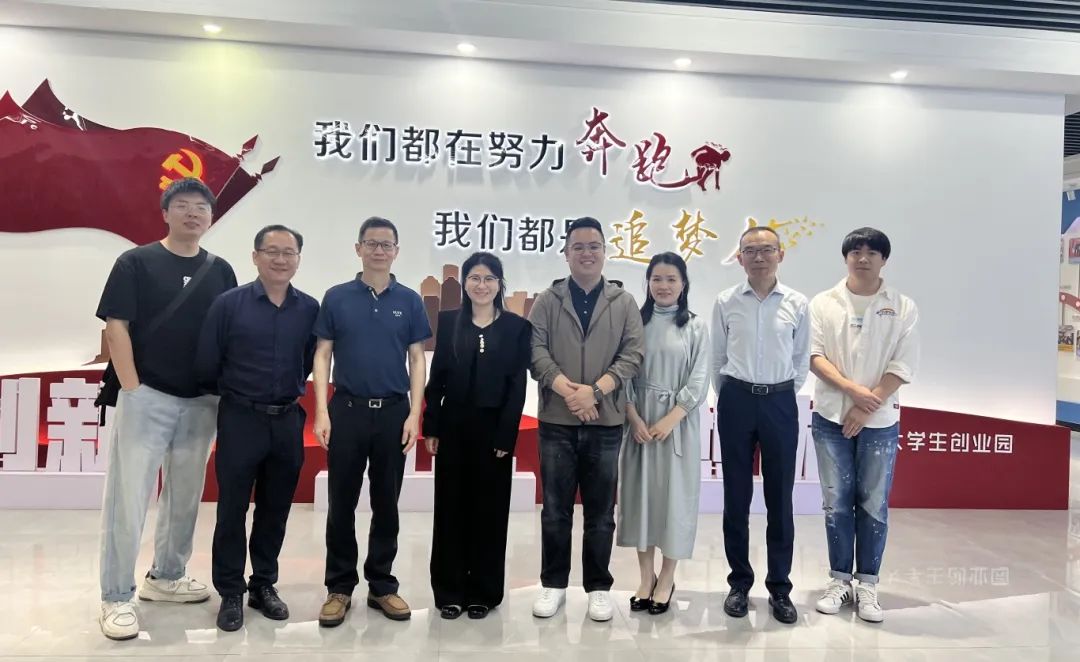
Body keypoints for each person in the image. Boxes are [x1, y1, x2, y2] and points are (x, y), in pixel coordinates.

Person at [95, 177, 237, 640]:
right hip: (148, 395)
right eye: (183, 205)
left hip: (202, 400)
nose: (193, 213)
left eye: (201, 207)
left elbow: (229, 332)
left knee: (185, 495)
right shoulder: (135, 262)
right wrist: (133, 389)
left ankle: (167, 576)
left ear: (211, 217)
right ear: (165, 213)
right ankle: (116, 596)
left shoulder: (221, 270)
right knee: (128, 498)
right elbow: (116, 326)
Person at [195, 225, 319, 631]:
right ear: (255, 256)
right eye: (272, 251)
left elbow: (308, 360)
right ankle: (230, 590)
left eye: (288, 252)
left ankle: (263, 584)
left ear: (298, 259)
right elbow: (208, 362)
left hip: (287, 419)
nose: (280, 259)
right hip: (240, 418)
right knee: (232, 509)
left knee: (275, 508)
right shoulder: (228, 305)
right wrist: (239, 396)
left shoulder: (309, 308)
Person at [312, 216, 432, 626]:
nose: (379, 250)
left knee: (386, 503)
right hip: (346, 410)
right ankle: (339, 587)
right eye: (372, 243)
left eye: (386, 244)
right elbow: (322, 354)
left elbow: (417, 359)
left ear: (396, 251)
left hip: (394, 413)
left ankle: (382, 585)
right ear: (358, 248)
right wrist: (322, 410)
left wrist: (414, 413)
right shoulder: (337, 297)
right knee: (341, 502)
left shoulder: (410, 300)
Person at [528, 216, 644, 622]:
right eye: (578, 246)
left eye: (594, 246)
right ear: (566, 253)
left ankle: (598, 588)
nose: (586, 253)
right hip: (556, 421)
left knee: (601, 513)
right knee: (555, 510)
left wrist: (594, 392)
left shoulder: (623, 301)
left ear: (605, 252)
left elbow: (633, 354)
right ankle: (553, 585)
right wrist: (569, 392)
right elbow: (536, 350)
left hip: (605, 421)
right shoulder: (548, 299)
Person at [809, 227, 919, 623]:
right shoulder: (823, 302)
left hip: (880, 420)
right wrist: (852, 391)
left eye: (872, 252)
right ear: (845, 257)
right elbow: (814, 356)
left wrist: (866, 405)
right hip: (830, 417)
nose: (863, 258)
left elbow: (903, 364)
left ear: (884, 259)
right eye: (855, 251)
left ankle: (868, 583)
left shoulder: (902, 306)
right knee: (836, 502)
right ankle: (839, 580)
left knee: (873, 504)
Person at [423, 251, 532, 620]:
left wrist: (506, 436)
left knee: (489, 512)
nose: (481, 285)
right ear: (464, 283)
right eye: (474, 278)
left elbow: (517, 387)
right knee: (450, 510)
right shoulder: (449, 321)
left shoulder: (516, 327)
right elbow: (437, 379)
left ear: (499, 284)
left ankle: (483, 592)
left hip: (493, 433)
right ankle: (449, 591)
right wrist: (432, 425)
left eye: (488, 278)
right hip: (453, 428)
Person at [711, 226, 810, 625]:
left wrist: (778, 392)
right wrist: (732, 395)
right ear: (739, 258)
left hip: (780, 401)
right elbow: (717, 356)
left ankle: (780, 588)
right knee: (735, 496)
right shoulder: (726, 301)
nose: (759, 257)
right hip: (736, 399)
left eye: (767, 250)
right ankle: (739, 583)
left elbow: (801, 359)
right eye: (750, 250)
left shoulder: (797, 303)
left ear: (780, 255)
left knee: (779, 499)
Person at [617, 252, 710, 616]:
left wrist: (673, 417)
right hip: (639, 423)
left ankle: (667, 577)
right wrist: (633, 416)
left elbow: (699, 378)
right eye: (657, 278)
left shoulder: (696, 327)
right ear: (648, 283)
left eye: (671, 279)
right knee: (640, 499)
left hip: (677, 427)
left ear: (683, 284)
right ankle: (645, 577)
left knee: (674, 502)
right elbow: (623, 373)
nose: (664, 285)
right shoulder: (634, 323)